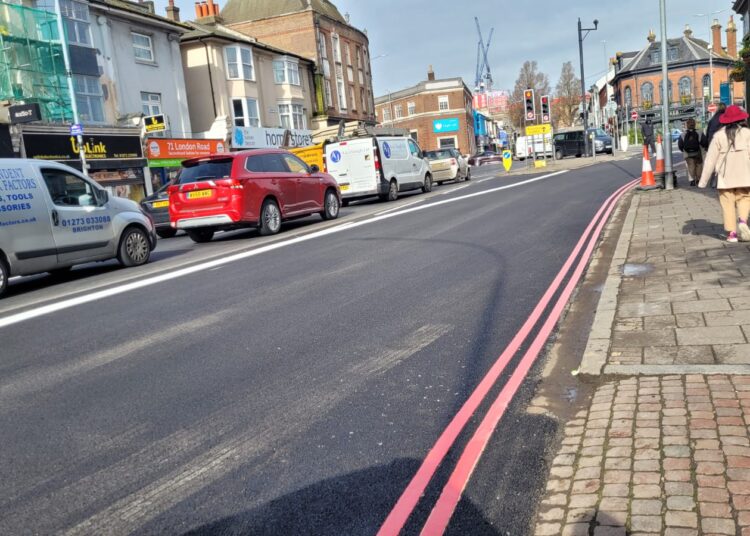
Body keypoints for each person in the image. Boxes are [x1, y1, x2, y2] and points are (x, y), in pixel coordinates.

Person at [698, 105, 750, 243]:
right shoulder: (747, 133)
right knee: (745, 198)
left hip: (725, 177)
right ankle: (743, 221)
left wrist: (703, 182)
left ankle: (732, 234)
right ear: (740, 119)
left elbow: (710, 160)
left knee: (727, 204)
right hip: (744, 175)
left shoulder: (719, 136)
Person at [678, 118, 707, 186]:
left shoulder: (682, 134)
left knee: (690, 166)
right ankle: (698, 179)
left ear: (687, 125)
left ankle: (692, 180)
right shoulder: (699, 132)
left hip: (687, 154)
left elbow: (680, 145)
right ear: (695, 124)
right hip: (698, 152)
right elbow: (704, 142)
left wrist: (684, 150)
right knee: (699, 165)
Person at [704, 102, 727, 189]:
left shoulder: (712, 119)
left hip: (712, 142)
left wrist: (707, 146)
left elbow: (708, 133)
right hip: (724, 142)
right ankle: (723, 180)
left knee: (714, 162)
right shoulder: (726, 117)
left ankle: (714, 182)